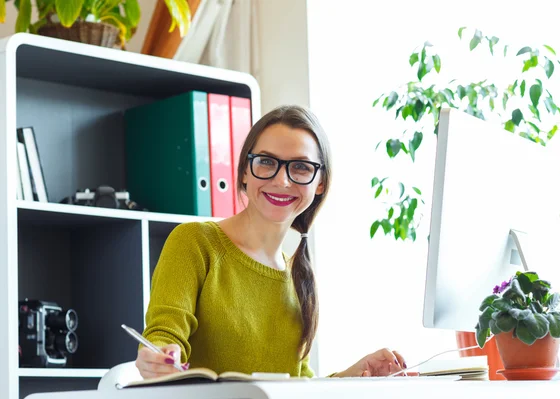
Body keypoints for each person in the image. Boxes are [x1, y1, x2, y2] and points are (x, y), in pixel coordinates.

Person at [135, 105, 407, 379]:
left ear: (320, 182)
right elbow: (164, 334)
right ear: (244, 171)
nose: (281, 180)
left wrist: (354, 374)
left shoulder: (299, 277)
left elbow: (299, 389)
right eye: (266, 161)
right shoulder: (194, 242)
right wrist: (158, 356)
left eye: (300, 167)